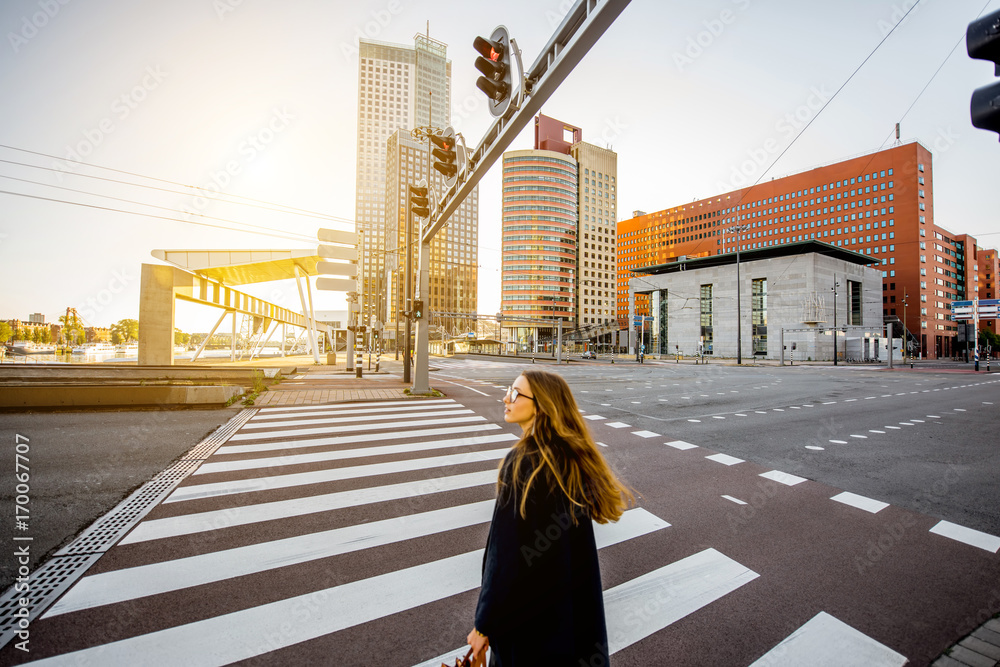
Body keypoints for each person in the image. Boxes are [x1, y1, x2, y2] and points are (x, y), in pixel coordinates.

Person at [467, 370, 634, 666]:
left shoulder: (521, 464)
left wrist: (484, 624)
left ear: (541, 405)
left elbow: (504, 558)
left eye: (516, 393)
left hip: (528, 630)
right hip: (570, 624)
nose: (506, 398)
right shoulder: (570, 460)